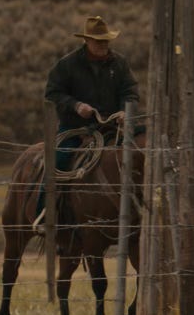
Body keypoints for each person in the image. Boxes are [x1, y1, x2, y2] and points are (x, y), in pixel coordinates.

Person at [37, 14, 141, 225]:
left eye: (106, 41)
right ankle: (44, 213)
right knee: (58, 161)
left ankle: (146, 209)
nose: (103, 45)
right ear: (86, 40)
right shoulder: (67, 65)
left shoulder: (119, 64)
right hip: (76, 128)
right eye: (98, 41)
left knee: (144, 147)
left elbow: (130, 91)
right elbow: (53, 93)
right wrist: (76, 106)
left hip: (112, 128)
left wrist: (124, 111)